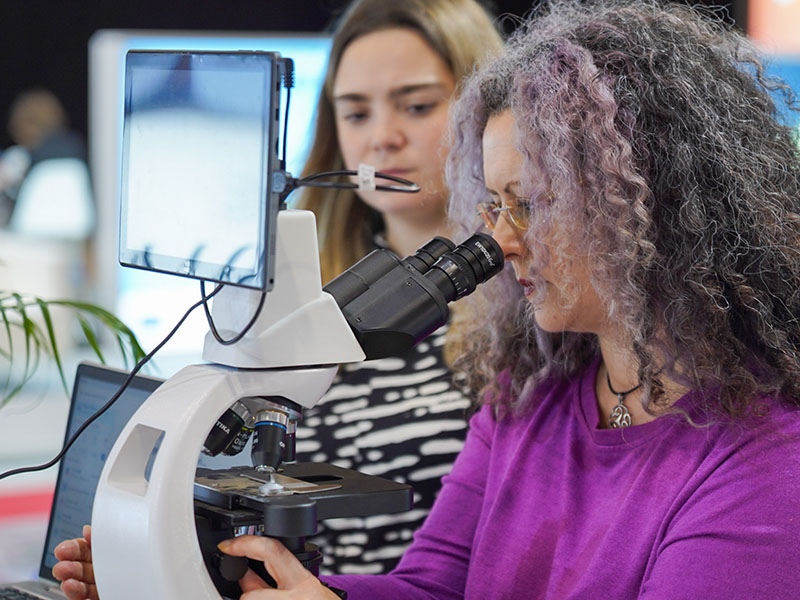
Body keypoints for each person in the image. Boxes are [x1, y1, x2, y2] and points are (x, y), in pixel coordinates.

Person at [52, 0, 800, 598]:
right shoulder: (528, 394)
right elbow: (433, 584)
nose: (503, 243)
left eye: (532, 205)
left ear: (653, 207)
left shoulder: (767, 463)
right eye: (494, 205)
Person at [51, 0, 503, 594]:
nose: (382, 138)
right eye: (355, 111)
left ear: (485, 113)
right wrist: (154, 560)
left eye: (416, 106)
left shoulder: (527, 325)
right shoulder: (303, 290)